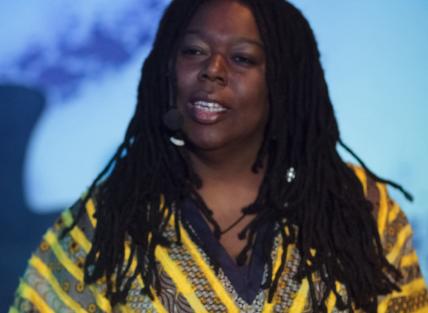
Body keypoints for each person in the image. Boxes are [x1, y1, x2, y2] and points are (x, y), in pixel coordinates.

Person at [10, 0, 428, 312]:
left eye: (242, 58)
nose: (213, 69)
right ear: (166, 69)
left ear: (283, 82)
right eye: (193, 51)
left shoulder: (358, 206)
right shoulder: (106, 221)